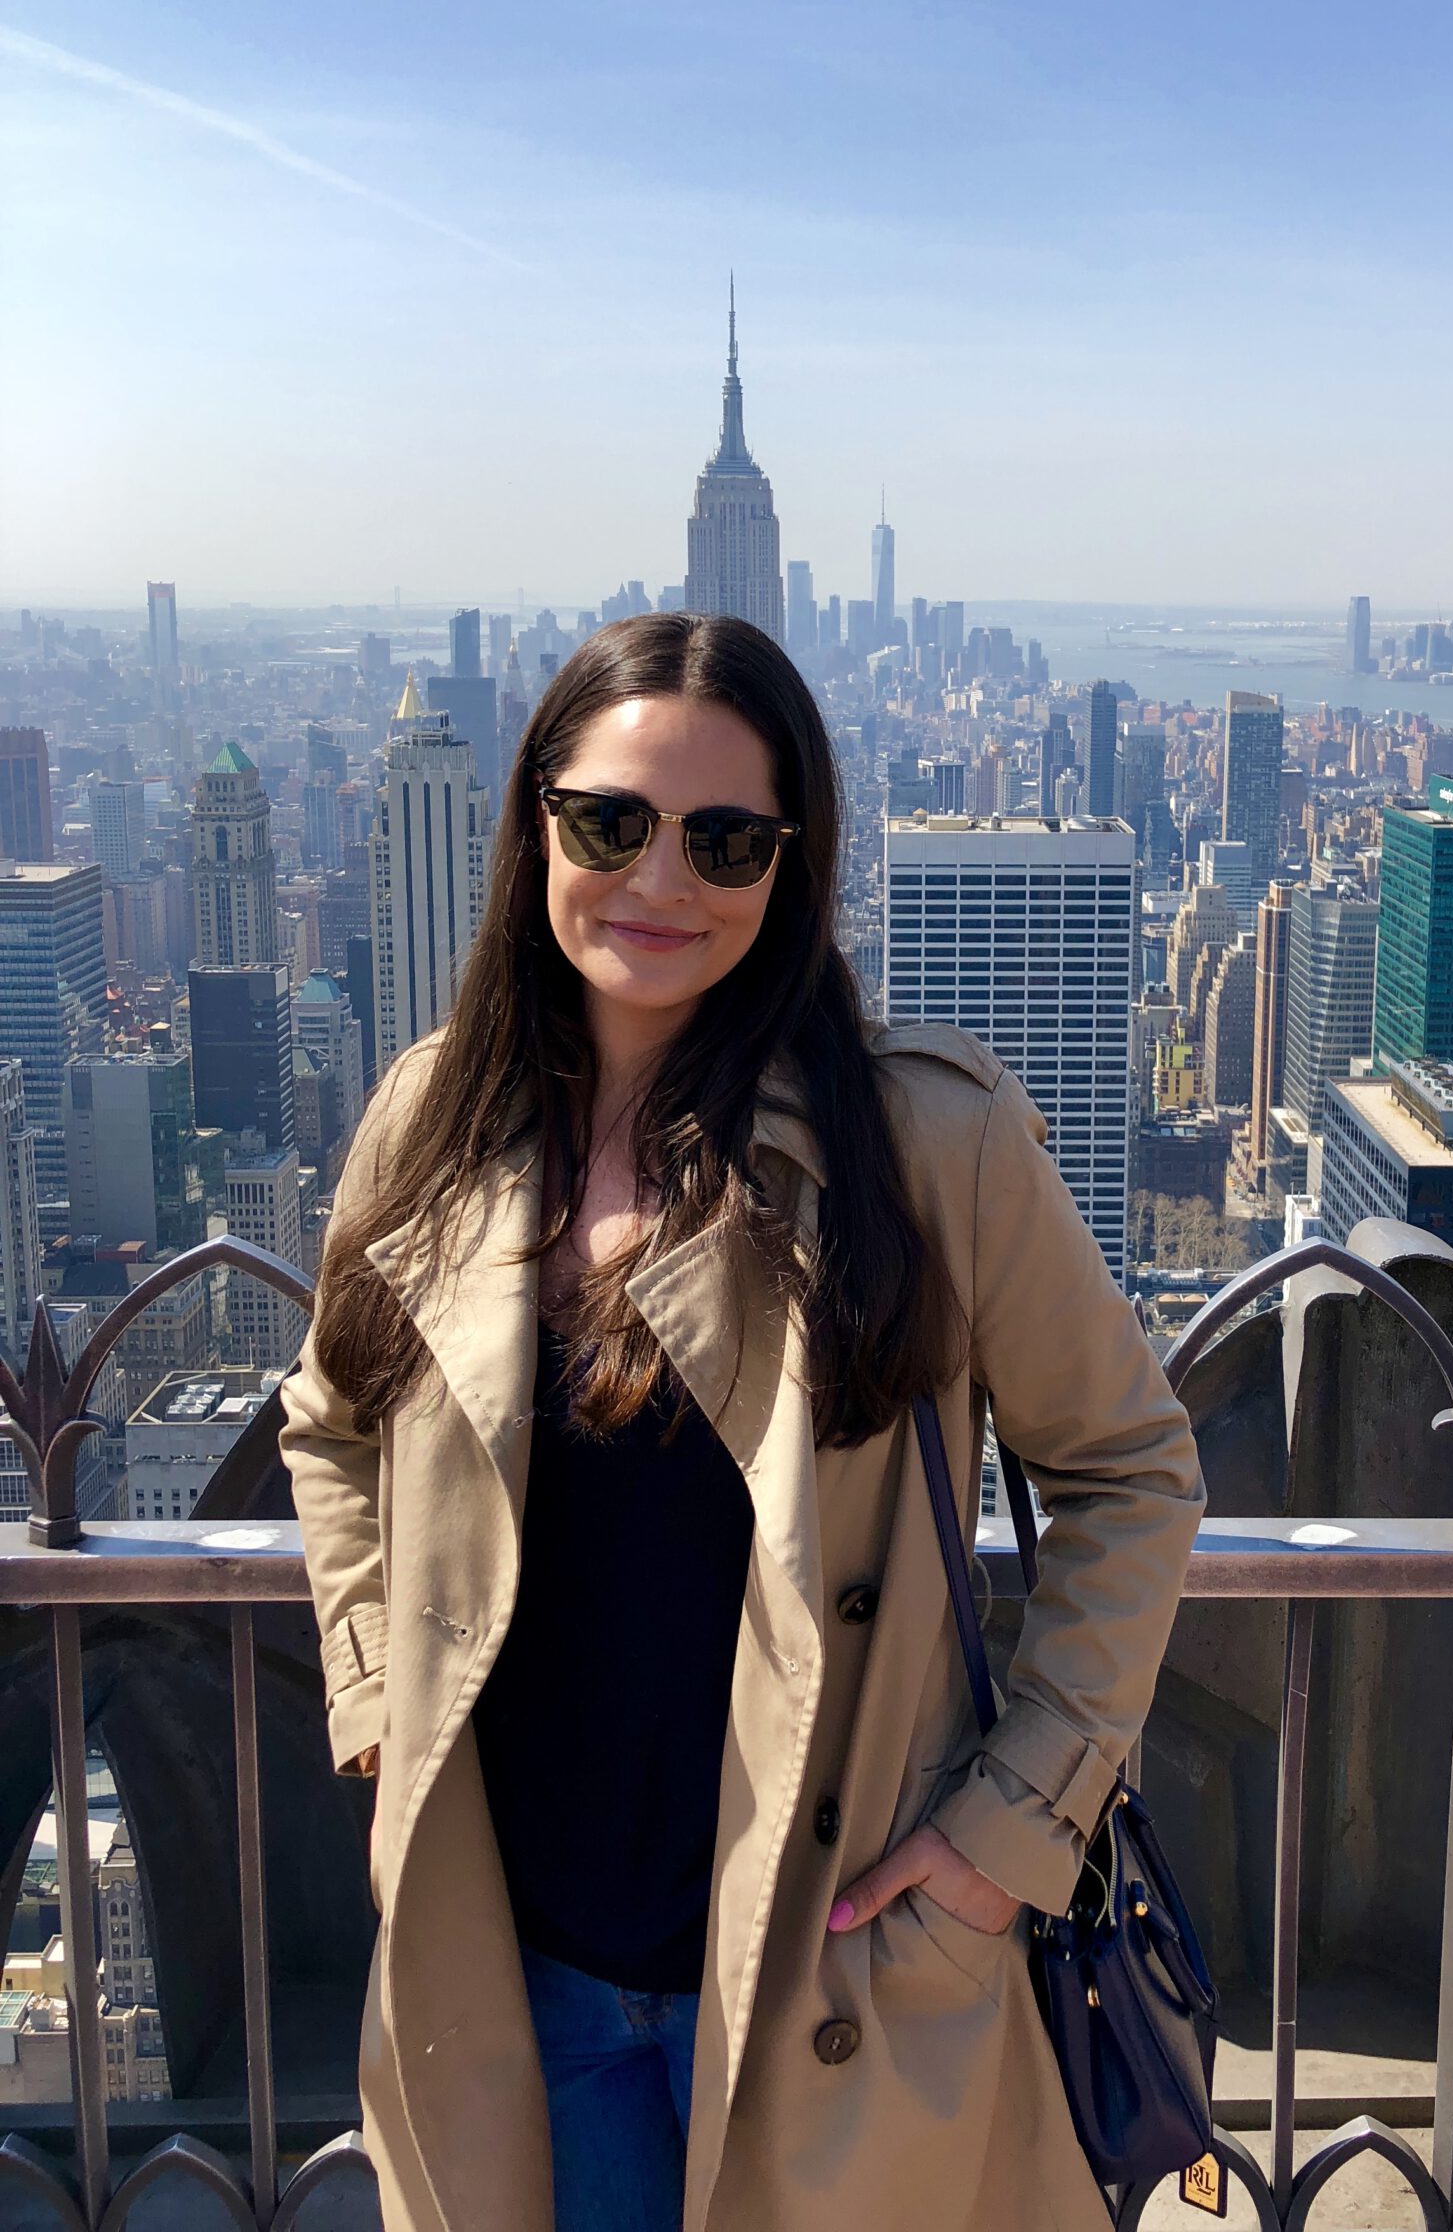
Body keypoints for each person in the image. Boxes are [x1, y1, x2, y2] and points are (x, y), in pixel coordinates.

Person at [279, 611, 1203, 2232]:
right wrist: (373, 1683)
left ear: (791, 866)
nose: (662, 880)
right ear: (534, 822)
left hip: (829, 1966)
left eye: (726, 840)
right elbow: (330, 1414)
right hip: (517, 1973)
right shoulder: (430, 1122)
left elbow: (1132, 1471)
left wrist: (1011, 1828)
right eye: (611, 823)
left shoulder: (928, 1147)